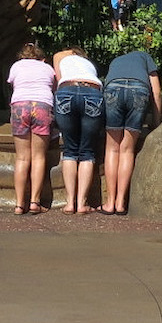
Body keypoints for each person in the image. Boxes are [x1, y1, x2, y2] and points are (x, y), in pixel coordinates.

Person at [100, 48, 161, 215]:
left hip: (113, 88)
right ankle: (120, 203)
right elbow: (156, 92)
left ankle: (109, 202)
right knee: (127, 150)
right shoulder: (146, 56)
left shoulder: (116, 60)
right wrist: (157, 122)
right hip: (138, 90)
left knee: (112, 148)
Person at [52, 45, 104, 214]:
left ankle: (69, 203)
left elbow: (58, 80)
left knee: (69, 150)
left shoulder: (62, 57)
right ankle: (82, 204)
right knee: (87, 151)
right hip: (92, 91)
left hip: (67, 89)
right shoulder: (88, 64)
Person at [6, 42, 55, 215]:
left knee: (22, 158)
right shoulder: (47, 68)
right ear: (41, 58)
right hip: (42, 105)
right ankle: (35, 202)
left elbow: (13, 85)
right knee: (38, 157)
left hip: (20, 106)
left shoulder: (16, 66)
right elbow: (52, 87)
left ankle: (19, 204)